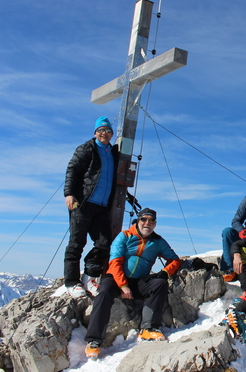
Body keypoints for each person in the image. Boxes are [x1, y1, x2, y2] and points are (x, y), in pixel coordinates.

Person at [84, 208, 181, 359]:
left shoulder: (157, 241)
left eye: (151, 221)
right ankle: (94, 340)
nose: (147, 223)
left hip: (139, 281)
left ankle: (148, 328)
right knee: (104, 293)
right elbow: (115, 262)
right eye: (144, 219)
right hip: (115, 279)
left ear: (155, 224)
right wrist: (123, 285)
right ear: (138, 220)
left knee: (160, 284)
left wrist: (165, 272)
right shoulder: (124, 236)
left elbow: (175, 260)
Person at [63, 116, 119, 298]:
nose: (104, 133)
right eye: (101, 130)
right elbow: (73, 169)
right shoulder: (87, 148)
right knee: (76, 243)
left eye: (108, 130)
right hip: (83, 203)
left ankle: (90, 276)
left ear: (112, 134)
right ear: (95, 133)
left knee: (104, 243)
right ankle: (71, 282)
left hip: (102, 206)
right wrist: (69, 194)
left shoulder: (113, 152)